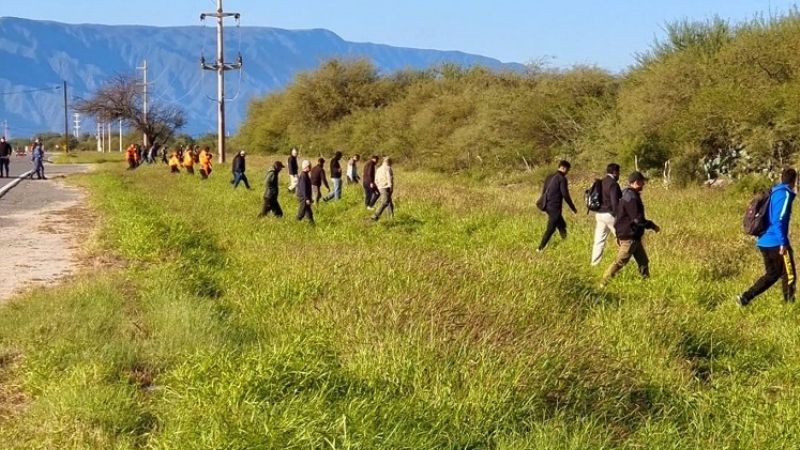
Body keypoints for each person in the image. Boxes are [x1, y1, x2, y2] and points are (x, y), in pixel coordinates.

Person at [737, 168, 798, 306]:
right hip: (776, 242)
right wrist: (783, 243)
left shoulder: (774, 192)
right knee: (789, 275)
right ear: (794, 181)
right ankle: (790, 307)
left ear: (781, 178)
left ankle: (745, 297)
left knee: (772, 274)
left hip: (764, 241)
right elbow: (779, 220)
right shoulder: (784, 195)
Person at [601, 171, 661, 287]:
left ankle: (646, 284)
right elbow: (638, 220)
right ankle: (603, 283)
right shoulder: (632, 198)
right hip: (629, 236)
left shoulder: (626, 194)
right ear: (636, 182)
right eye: (642, 182)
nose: (644, 184)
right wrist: (653, 226)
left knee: (643, 262)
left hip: (633, 236)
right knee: (620, 261)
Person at [537, 160, 577, 252]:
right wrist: (573, 208)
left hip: (546, 205)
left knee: (562, 224)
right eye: (568, 170)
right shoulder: (562, 179)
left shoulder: (549, 177)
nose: (567, 172)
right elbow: (565, 194)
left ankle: (566, 242)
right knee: (551, 228)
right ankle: (540, 248)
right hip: (554, 207)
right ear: (564, 168)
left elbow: (544, 191)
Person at [591, 163, 623, 266]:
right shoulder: (613, 184)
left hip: (599, 214)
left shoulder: (601, 181)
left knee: (599, 240)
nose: (619, 174)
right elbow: (615, 202)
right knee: (623, 239)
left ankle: (594, 263)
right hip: (610, 215)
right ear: (615, 172)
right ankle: (628, 261)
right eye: (618, 172)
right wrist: (619, 216)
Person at [371, 157, 395, 221]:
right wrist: (391, 187)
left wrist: (378, 186)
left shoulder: (379, 169)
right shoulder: (388, 168)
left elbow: (376, 179)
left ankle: (391, 218)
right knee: (385, 201)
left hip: (380, 187)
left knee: (389, 202)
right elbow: (389, 178)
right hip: (386, 187)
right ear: (388, 162)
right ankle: (375, 215)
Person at [296, 160, 315, 224]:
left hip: (306, 197)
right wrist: (306, 199)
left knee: (309, 213)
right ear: (306, 167)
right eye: (309, 166)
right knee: (301, 213)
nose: (310, 167)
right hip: (303, 198)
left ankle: (312, 226)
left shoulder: (305, 174)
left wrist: (309, 198)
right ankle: (295, 224)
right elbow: (303, 188)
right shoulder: (303, 175)